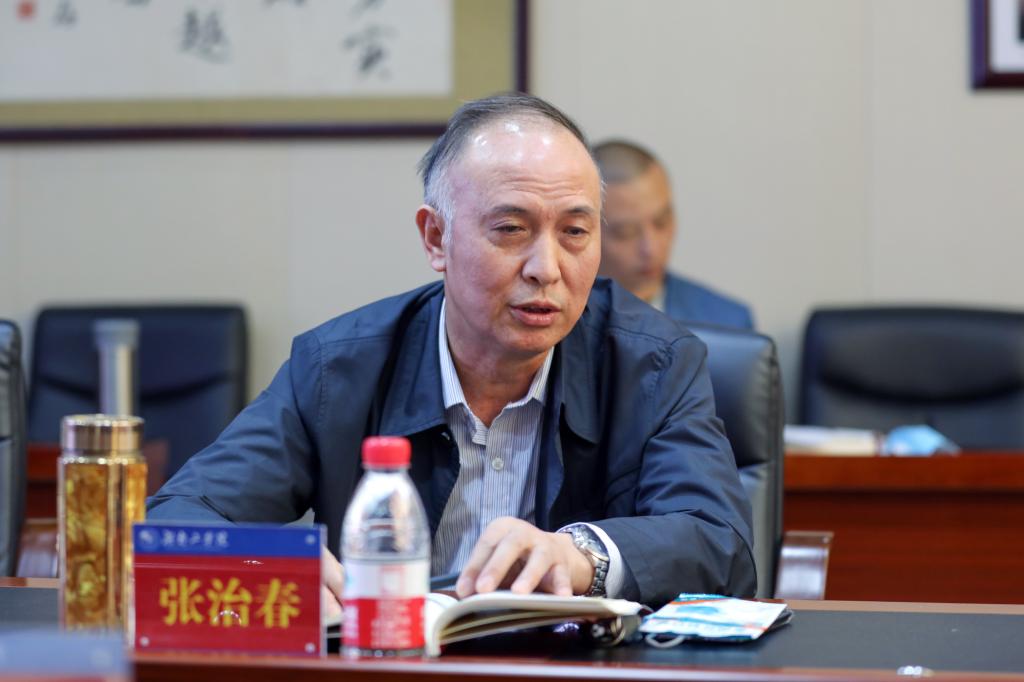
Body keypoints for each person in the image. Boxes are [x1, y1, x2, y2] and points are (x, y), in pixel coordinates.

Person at [147, 94, 756, 612]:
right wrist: (269, 564)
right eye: (511, 229)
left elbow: (722, 545)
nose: (547, 269)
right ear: (436, 238)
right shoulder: (337, 370)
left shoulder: (654, 364)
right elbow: (176, 517)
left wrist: (579, 556)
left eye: (575, 232)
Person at [593, 140, 755, 330]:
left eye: (662, 222)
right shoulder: (563, 324)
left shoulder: (727, 324)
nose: (651, 249)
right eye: (626, 233)